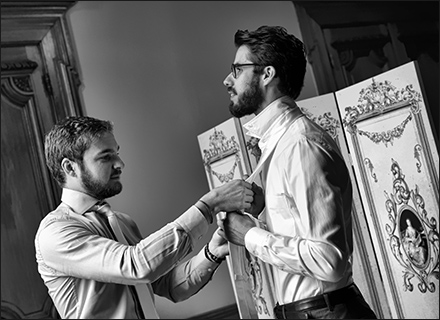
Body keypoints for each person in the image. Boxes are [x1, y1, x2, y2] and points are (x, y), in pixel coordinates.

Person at [218, 25, 378, 319]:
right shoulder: (279, 144)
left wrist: (251, 236)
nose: (228, 80)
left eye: (237, 69)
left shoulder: (300, 145)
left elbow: (329, 261)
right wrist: (265, 209)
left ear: (267, 74)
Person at [35, 115, 259, 319]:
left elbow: (170, 286)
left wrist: (213, 252)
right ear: (70, 168)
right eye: (105, 157)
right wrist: (211, 205)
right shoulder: (55, 232)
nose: (120, 164)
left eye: (117, 153)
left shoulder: (121, 222)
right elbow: (136, 265)